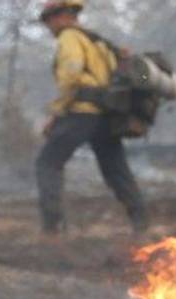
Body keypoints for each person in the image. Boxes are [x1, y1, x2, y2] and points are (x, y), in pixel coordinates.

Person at [35, 0, 148, 235]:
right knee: (117, 171)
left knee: (47, 163)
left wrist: (57, 113)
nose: (49, 27)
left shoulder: (69, 38)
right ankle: (142, 224)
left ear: (61, 16)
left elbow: (71, 76)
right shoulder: (99, 42)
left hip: (81, 112)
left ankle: (52, 230)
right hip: (106, 116)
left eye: (48, 20)